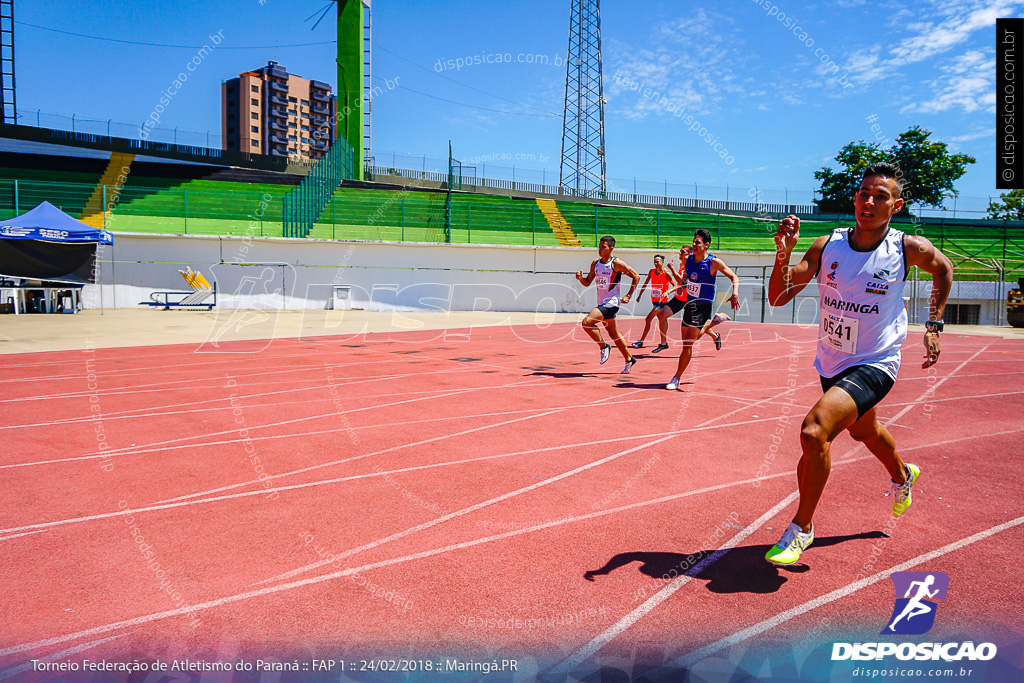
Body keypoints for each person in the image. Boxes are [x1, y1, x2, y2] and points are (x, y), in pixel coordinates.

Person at [764, 162, 953, 565]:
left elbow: (944, 268)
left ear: (895, 205)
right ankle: (904, 475)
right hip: (832, 360)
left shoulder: (907, 248)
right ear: (854, 198)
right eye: (863, 193)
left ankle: (801, 528)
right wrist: (784, 253)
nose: (869, 201)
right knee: (864, 431)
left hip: (877, 360)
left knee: (815, 432)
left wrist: (934, 323)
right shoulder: (826, 246)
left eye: (880, 196)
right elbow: (779, 297)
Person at [665, 230, 740, 390]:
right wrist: (677, 283)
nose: (694, 245)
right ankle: (714, 322)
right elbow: (685, 282)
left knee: (689, 342)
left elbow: (734, 277)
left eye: (697, 242)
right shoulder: (688, 261)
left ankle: (676, 377)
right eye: (693, 241)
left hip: (703, 306)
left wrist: (735, 293)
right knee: (686, 345)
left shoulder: (713, 263)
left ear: (706, 245)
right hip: (689, 305)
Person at [576, 235, 642, 374]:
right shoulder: (596, 263)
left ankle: (604, 346)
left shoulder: (616, 264)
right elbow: (588, 282)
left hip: (611, 303)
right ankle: (629, 359)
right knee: (614, 334)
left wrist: (628, 295)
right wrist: (580, 278)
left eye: (603, 247)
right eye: (599, 246)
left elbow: (636, 276)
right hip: (602, 302)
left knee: (587, 322)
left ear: (611, 248)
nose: (599, 249)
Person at [629, 254, 673, 352]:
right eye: (654, 261)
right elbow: (645, 283)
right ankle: (664, 342)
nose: (656, 263)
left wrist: (667, 292)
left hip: (662, 302)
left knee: (648, 319)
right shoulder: (652, 272)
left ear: (662, 262)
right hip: (654, 300)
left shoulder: (666, 273)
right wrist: (640, 295)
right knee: (662, 320)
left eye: (658, 261)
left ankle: (641, 341)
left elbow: (675, 285)